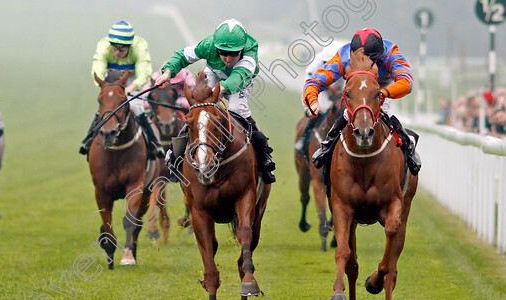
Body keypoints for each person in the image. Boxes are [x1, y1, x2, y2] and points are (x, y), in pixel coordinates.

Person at [155, 18, 276, 184]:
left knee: (236, 109)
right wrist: (168, 73)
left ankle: (263, 157)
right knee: (199, 111)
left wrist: (219, 90)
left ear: (242, 50)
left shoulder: (250, 52)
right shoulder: (207, 45)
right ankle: (175, 156)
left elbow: (237, 78)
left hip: (241, 81)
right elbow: (182, 56)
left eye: (233, 53)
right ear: (216, 47)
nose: (228, 58)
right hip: (214, 73)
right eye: (223, 52)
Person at [303, 28, 421, 175]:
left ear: (381, 56)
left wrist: (383, 93)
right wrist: (313, 101)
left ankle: (407, 144)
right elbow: (314, 82)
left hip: (383, 84)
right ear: (353, 58)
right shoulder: (343, 58)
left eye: (373, 62)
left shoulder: (392, 54)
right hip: (357, 82)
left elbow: (407, 82)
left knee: (382, 108)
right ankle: (327, 144)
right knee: (348, 109)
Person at [79, 21, 164, 159]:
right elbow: (98, 72)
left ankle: (155, 143)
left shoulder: (139, 47)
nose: (117, 52)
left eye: (122, 50)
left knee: (136, 107)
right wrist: (107, 90)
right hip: (110, 81)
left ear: (130, 47)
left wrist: (128, 90)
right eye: (114, 48)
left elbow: (144, 75)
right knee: (106, 106)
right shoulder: (104, 46)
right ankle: (88, 141)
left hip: (132, 81)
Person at [294, 41, 343, 154]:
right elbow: (310, 83)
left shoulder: (347, 62)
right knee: (322, 107)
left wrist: (340, 93)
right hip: (321, 88)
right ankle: (304, 137)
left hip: (340, 88)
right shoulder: (316, 63)